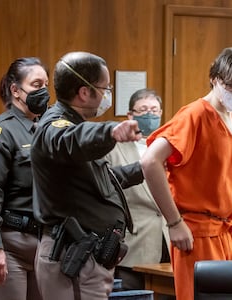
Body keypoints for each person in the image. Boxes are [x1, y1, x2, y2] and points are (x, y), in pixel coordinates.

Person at [141, 47, 232, 300]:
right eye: (231, 86)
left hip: (223, 230)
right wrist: (174, 222)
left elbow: (223, 178)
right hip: (196, 233)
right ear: (215, 78)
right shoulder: (195, 115)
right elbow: (150, 161)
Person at [30, 51, 144, 300]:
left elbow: (98, 180)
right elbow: (69, 140)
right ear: (84, 92)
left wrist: (142, 169)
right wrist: (111, 131)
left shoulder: (74, 125)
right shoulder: (56, 125)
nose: (107, 94)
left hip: (87, 258)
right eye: (105, 88)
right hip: (74, 258)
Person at [0, 57, 50, 300]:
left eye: (47, 85)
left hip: (42, 245)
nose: (44, 92)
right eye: (37, 85)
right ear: (15, 90)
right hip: (8, 243)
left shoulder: (47, 130)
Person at [105, 88, 171, 290]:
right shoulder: (113, 148)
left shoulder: (171, 145)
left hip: (168, 242)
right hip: (133, 245)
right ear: (130, 115)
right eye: (143, 110)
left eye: (154, 110)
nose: (150, 115)